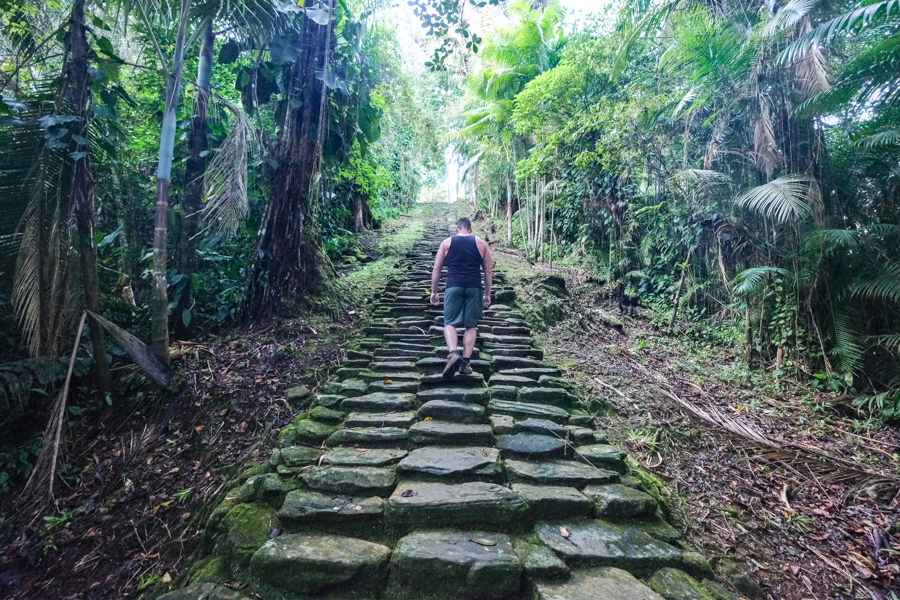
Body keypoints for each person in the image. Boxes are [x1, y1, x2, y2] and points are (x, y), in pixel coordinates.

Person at [430, 217, 493, 379]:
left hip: (453, 285)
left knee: (449, 323)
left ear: (457, 229)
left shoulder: (446, 243)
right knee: (471, 326)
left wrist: (434, 292)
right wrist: (487, 294)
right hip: (474, 287)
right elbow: (488, 272)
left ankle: (453, 354)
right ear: (470, 230)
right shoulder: (481, 244)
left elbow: (436, 269)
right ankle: (465, 363)